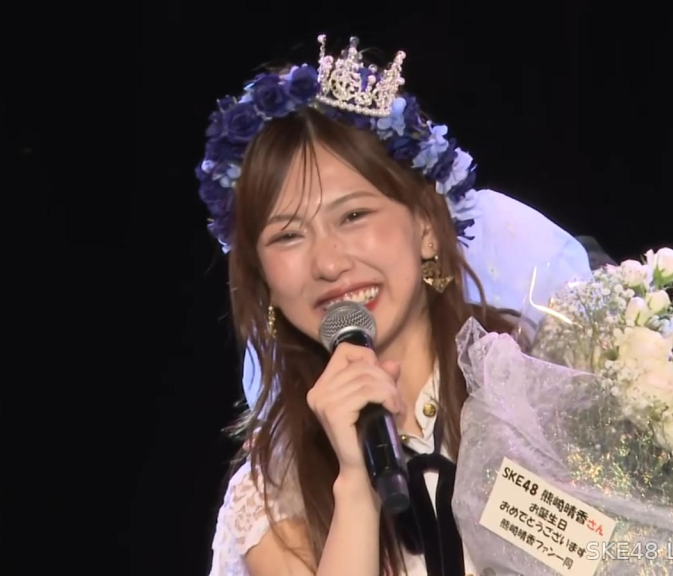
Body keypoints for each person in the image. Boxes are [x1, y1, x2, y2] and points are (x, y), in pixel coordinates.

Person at [198, 35, 592, 576]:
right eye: (288, 236)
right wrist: (356, 487)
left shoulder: (543, 385)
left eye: (353, 216)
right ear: (262, 277)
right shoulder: (273, 495)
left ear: (427, 226)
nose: (328, 263)